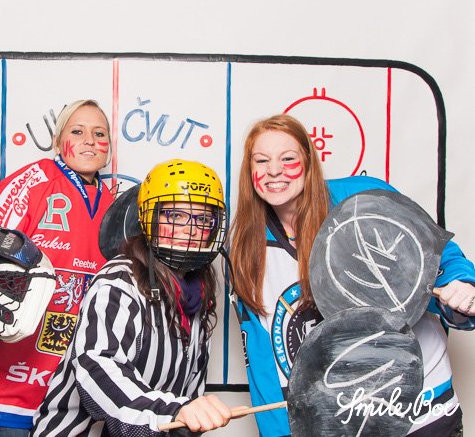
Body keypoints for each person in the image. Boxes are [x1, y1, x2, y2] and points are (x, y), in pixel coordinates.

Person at [228, 114, 475, 437]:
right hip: (338, 425)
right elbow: (262, 355)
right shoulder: (248, 246)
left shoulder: (362, 199)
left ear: (309, 161)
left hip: (422, 415)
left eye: (287, 158)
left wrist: (461, 287)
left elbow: (438, 259)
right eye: (262, 160)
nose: (274, 170)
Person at [32, 159, 233, 436]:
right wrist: (173, 411)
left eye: (203, 219)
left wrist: (188, 417)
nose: (191, 229)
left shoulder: (197, 297)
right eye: (175, 216)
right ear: (149, 219)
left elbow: (188, 397)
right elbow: (98, 367)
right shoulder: (119, 281)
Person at [0, 99, 115, 437]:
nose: (90, 140)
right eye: (77, 131)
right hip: (5, 385)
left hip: (68, 398)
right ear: (58, 141)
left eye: (99, 133)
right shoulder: (34, 181)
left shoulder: (113, 204)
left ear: (109, 148)